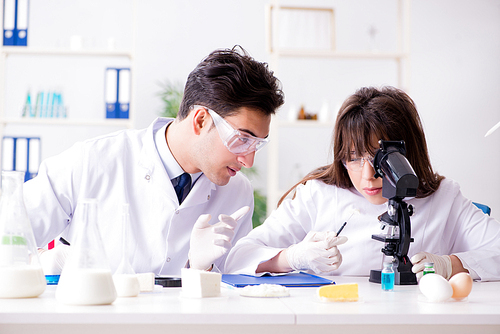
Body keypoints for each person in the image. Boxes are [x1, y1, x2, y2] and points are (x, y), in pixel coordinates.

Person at [25, 46, 284, 276]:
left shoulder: (237, 192)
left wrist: (200, 269)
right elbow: (10, 235)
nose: (248, 161)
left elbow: (233, 284)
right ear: (201, 120)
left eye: (258, 145)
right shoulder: (92, 161)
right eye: (242, 139)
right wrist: (48, 264)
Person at [225, 86, 500, 281]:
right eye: (353, 158)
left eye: (380, 159)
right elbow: (238, 258)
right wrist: (292, 258)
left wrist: (451, 265)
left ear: (407, 153)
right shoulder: (318, 195)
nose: (368, 175)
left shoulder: (444, 198)